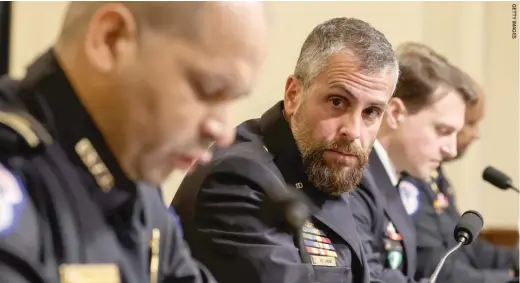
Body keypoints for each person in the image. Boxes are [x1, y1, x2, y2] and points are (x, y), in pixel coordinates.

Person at [0, 2, 267, 283]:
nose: (223, 132)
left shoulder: (133, 174)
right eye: (209, 89)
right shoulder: (15, 169)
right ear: (111, 39)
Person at [171, 17, 399, 283]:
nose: (353, 131)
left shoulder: (330, 166)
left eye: (371, 112)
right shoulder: (237, 180)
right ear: (293, 96)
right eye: (337, 102)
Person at [350, 41, 477, 283]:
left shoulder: (393, 179)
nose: (450, 150)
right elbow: (369, 275)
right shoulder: (355, 177)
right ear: (396, 114)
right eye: (442, 130)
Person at [408, 75, 519, 282]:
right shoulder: (412, 177)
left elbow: (468, 250)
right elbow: (434, 266)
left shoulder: (435, 176)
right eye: (470, 123)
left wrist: (515, 261)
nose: (476, 134)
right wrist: (509, 277)